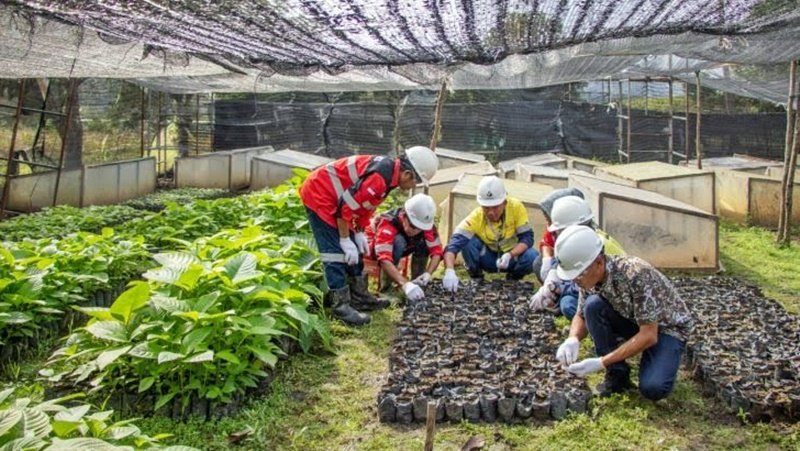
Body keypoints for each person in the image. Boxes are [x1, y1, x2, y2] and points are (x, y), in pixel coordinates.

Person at [299, 146, 439, 325]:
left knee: (355, 250)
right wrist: (344, 239)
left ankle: (359, 297)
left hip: (339, 202)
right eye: (415, 182)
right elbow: (346, 208)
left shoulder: (389, 178)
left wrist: (358, 232)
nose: (413, 186)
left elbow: (364, 206)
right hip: (321, 195)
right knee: (334, 253)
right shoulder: (380, 178)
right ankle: (340, 307)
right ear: (407, 174)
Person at [553, 225, 693, 400]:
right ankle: (617, 374)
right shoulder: (588, 279)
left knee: (653, 387)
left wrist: (601, 362)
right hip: (633, 319)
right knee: (592, 306)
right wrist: (572, 339)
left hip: (666, 329)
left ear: (598, 262)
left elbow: (649, 335)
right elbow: (581, 314)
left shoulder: (636, 274)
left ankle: (658, 356)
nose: (575, 280)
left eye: (579, 275)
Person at [529, 195, 625, 320]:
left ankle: (601, 324)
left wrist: (557, 289)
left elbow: (587, 284)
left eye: (560, 230)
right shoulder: (584, 239)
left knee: (570, 304)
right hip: (593, 287)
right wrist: (552, 279)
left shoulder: (594, 245)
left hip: (611, 298)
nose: (557, 234)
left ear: (574, 227)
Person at [441, 175, 538, 292]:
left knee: (532, 256)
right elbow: (453, 245)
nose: (491, 212)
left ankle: (513, 278)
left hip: (511, 259)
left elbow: (527, 238)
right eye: (486, 208)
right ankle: (476, 276)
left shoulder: (516, 208)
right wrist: (450, 271)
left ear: (504, 202)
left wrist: (510, 254)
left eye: (495, 207)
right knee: (467, 242)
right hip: (488, 258)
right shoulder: (476, 216)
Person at [366, 194, 442, 304]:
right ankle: (386, 290)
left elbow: (437, 252)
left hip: (405, 247)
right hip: (375, 248)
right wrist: (405, 284)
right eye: (413, 226)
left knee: (424, 242)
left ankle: (418, 282)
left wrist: (428, 273)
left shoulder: (425, 225)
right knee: (398, 241)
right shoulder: (388, 222)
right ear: (405, 216)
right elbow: (383, 258)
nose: (415, 231)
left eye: (419, 228)